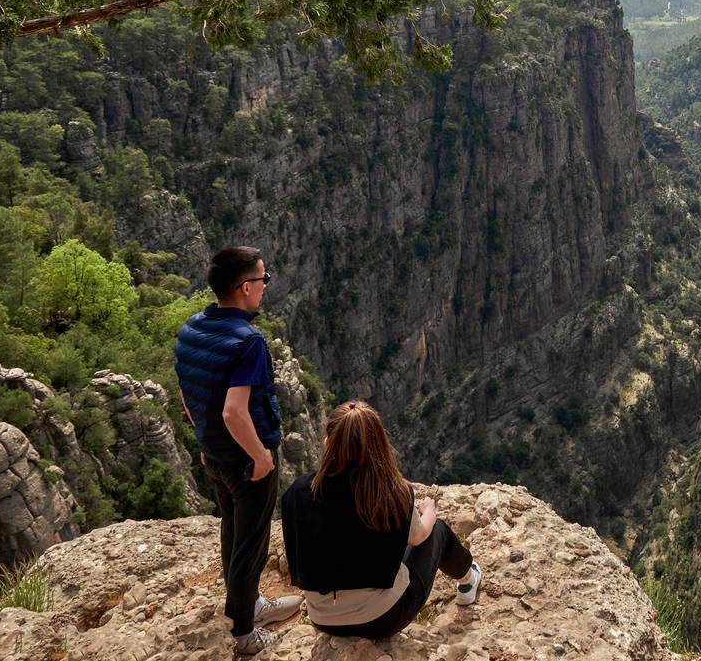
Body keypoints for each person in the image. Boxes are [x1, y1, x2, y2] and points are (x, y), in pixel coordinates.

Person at [175, 246, 303, 655]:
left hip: (215, 457)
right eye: (264, 280)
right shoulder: (248, 342)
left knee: (232, 530)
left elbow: (187, 393)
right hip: (247, 460)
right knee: (251, 545)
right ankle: (246, 634)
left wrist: (205, 440)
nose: (266, 287)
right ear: (245, 287)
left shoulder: (192, 328)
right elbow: (235, 411)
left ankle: (248, 604)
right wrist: (261, 456)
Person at [280, 400, 482, 639]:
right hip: (384, 619)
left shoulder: (297, 493)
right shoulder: (389, 493)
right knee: (436, 529)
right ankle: (468, 580)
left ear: (328, 443)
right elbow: (419, 538)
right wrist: (429, 511)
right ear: (378, 444)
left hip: (323, 619)